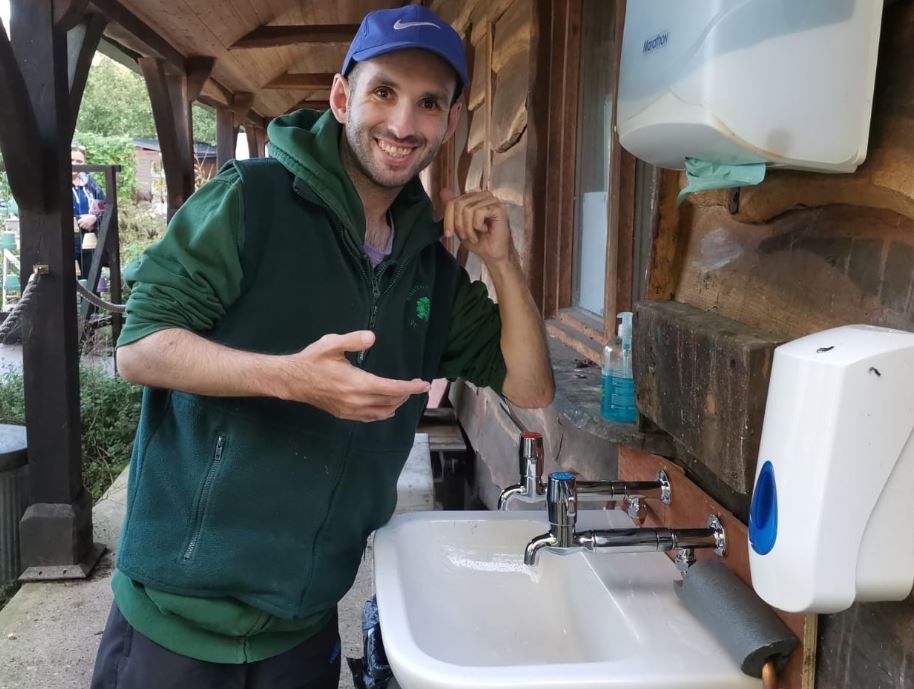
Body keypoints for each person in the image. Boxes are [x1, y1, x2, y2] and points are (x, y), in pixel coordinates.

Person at [89, 5, 553, 689]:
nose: (402, 125)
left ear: (451, 123)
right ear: (343, 98)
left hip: (303, 627)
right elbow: (140, 348)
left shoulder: (431, 269)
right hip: (176, 624)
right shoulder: (249, 202)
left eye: (429, 104)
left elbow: (531, 386)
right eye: (384, 92)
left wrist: (506, 264)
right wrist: (291, 378)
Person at [71, 143, 106, 278]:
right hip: (66, 245)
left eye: (79, 161)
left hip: (89, 244)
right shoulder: (57, 183)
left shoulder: (90, 183)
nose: (75, 164)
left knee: (92, 286)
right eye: (71, 160)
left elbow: (102, 203)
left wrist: (94, 217)